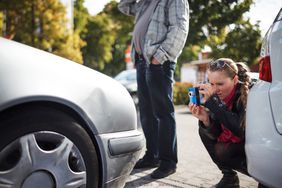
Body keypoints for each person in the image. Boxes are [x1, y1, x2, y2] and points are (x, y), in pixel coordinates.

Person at [118, 0, 189, 179]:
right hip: (142, 61)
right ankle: (153, 156)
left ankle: (168, 162)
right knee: (147, 114)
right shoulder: (144, 3)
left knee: (163, 113)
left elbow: (180, 29)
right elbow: (124, 6)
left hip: (159, 62)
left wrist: (160, 57)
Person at [189, 58, 252, 188]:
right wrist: (206, 119)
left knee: (223, 151)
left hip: (257, 146)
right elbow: (217, 131)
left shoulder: (248, 93)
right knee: (204, 130)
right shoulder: (218, 97)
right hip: (240, 145)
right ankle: (229, 177)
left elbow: (242, 132)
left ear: (235, 80)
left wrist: (214, 103)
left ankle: (264, 177)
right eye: (211, 84)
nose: (215, 89)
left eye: (220, 84)